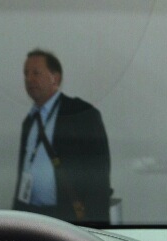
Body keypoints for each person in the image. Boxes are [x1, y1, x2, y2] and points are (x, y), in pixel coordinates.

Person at [14, 49, 112, 224]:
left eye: (36, 73)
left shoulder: (81, 114)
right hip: (31, 217)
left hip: (68, 218)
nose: (29, 79)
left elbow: (99, 175)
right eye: (26, 74)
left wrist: (96, 225)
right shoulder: (28, 121)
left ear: (55, 78)